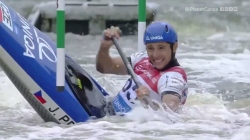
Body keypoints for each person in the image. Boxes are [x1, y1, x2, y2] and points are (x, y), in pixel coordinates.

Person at [96, 21, 188, 115]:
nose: (155, 55)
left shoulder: (173, 78)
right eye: (150, 48)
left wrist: (147, 103)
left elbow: (169, 115)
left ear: (174, 47)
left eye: (161, 48)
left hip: (118, 125)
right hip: (108, 112)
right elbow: (104, 68)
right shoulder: (143, 58)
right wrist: (104, 47)